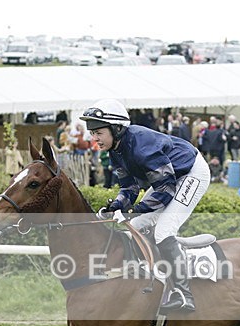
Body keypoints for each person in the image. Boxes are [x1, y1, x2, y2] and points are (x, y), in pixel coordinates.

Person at [81, 98, 210, 313]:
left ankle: (183, 294)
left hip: (191, 173)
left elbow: (165, 190)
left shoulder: (142, 147)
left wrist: (133, 210)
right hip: (168, 178)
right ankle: (151, 276)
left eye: (99, 133)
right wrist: (117, 206)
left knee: (164, 231)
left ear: (117, 129)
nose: (94, 138)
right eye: (92, 133)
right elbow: (129, 187)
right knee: (136, 225)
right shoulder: (115, 150)